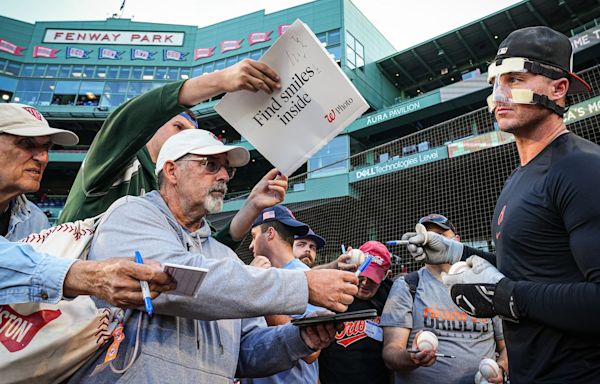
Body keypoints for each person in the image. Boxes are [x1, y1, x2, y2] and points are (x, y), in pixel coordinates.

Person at [69, 129, 358, 383]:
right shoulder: (131, 213)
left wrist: (299, 338)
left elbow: (244, 351)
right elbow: (178, 280)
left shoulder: (224, 257)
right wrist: (302, 286)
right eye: (210, 165)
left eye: (226, 169)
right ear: (171, 171)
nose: (223, 176)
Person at [402, 27, 600, 382]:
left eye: (515, 79)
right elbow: (525, 269)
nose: (498, 95)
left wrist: (508, 299)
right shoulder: (517, 178)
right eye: (495, 82)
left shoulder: (584, 168)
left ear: (558, 89)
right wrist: (455, 253)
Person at [59, 59, 290, 251]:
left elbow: (199, 257)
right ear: (152, 126)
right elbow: (130, 118)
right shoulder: (119, 158)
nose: (185, 138)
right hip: (66, 294)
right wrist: (221, 81)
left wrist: (252, 205)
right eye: (178, 127)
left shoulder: (176, 191)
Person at [0, 104, 173, 307]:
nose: (42, 158)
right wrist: (85, 275)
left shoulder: (36, 219)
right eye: (26, 144)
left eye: (46, 148)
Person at [382, 214, 507, 384]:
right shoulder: (407, 285)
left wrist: (500, 369)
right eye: (427, 235)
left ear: (457, 240)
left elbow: (506, 346)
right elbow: (391, 352)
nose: (432, 240)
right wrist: (412, 358)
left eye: (440, 235)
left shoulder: (485, 286)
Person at [243, 205, 325, 384]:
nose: (250, 245)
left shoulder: (306, 278)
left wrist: (261, 287)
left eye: (254, 236)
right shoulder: (256, 273)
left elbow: (311, 352)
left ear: (270, 233)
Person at [318, 241, 393, 384]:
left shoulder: (391, 297)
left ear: (385, 276)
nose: (364, 283)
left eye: (372, 279)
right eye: (362, 275)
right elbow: (304, 277)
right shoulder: (333, 291)